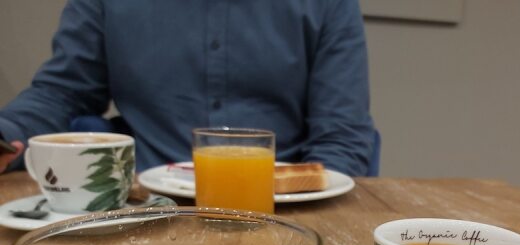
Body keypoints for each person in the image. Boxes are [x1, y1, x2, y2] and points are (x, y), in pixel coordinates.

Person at [0, 0, 375, 176]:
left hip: (284, 208)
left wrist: (303, 205)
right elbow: (63, 93)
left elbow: (342, 137)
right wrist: (7, 133)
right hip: (141, 204)